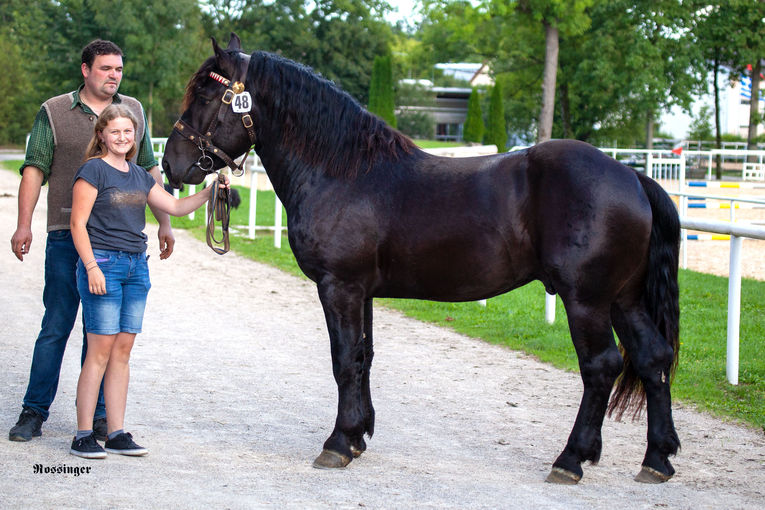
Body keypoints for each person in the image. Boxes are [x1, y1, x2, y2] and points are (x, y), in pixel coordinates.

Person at [9, 39, 175, 442]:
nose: (113, 75)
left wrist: (165, 224)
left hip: (119, 242)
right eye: (105, 68)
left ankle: (101, 418)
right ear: (86, 70)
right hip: (69, 236)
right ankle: (34, 412)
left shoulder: (133, 111)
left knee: (101, 333)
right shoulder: (53, 111)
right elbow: (34, 169)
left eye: (118, 69)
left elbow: (149, 169)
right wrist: (24, 224)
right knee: (57, 325)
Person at [69, 104, 227, 458]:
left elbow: (173, 207)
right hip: (104, 265)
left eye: (129, 132)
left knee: (122, 353)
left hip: (136, 269)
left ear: (136, 135)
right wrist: (92, 267)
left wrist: (210, 191)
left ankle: (117, 432)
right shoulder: (92, 171)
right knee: (99, 352)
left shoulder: (141, 175)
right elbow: (78, 224)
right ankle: (82, 434)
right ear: (102, 136)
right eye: (115, 132)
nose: (123, 138)